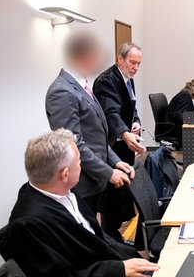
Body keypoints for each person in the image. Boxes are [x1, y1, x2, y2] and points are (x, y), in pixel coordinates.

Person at [6, 129, 161, 277]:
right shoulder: (27, 226)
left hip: (110, 259)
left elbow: (94, 235)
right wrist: (118, 270)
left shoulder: (61, 188)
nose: (81, 165)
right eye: (79, 162)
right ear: (65, 174)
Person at [45, 31, 135, 242]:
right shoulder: (62, 91)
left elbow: (98, 134)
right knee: (85, 238)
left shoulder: (82, 86)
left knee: (96, 233)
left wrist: (116, 161)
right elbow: (74, 145)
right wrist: (108, 172)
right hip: (81, 181)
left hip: (93, 177)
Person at [93, 42, 145, 241]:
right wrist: (124, 132)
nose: (136, 68)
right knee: (111, 197)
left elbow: (132, 108)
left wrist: (136, 123)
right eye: (132, 62)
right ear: (120, 59)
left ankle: (116, 236)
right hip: (111, 147)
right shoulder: (107, 80)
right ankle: (110, 238)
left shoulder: (128, 79)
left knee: (122, 192)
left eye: (139, 64)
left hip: (123, 145)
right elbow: (110, 113)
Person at [168, 79, 194, 148]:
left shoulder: (184, 94)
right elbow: (180, 117)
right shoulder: (185, 96)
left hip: (174, 128)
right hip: (175, 130)